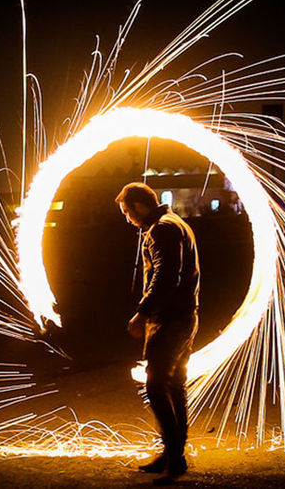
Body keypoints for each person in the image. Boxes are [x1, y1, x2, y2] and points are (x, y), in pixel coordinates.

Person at [115, 182, 200, 483]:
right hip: (182, 316)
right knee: (174, 385)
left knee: (156, 385)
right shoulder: (175, 223)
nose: (127, 219)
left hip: (170, 320)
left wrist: (143, 312)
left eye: (127, 212)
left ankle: (174, 459)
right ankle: (173, 454)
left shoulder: (161, 230)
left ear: (139, 206)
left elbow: (166, 276)